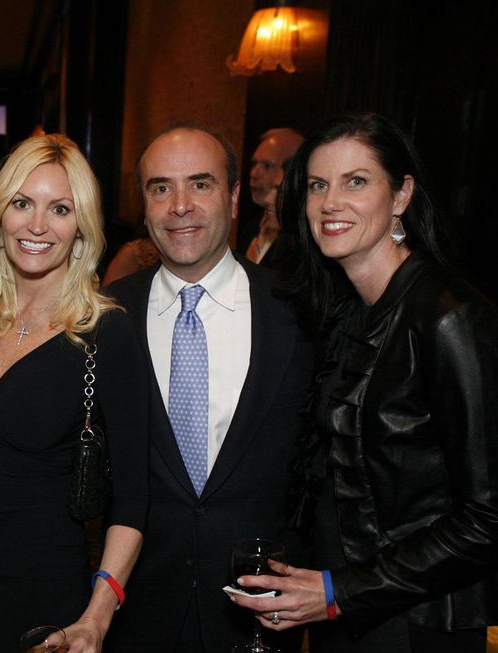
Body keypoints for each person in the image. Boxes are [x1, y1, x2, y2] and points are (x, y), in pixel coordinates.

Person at [230, 113, 498, 651]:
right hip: (341, 608)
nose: (330, 203)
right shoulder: (349, 315)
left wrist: (340, 590)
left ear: (401, 196)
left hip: (416, 620)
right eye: (319, 185)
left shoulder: (452, 320)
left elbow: (493, 519)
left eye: (356, 181)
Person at [103, 122, 313, 652]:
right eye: (160, 188)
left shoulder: (300, 312)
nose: (179, 206)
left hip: (263, 615)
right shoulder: (104, 318)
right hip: (135, 613)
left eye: (200, 184)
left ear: (235, 196)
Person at [0, 134, 148, 652]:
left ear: (81, 228)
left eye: (60, 209)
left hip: (43, 596)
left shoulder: (105, 332)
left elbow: (134, 501)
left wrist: (96, 617)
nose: (36, 225)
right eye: (22, 203)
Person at [241, 127, 304, 268]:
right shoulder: (250, 227)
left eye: (267, 166)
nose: (253, 173)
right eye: (254, 164)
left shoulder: (304, 246)